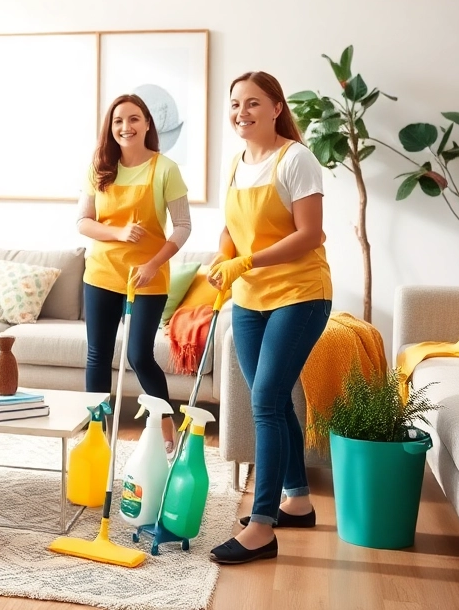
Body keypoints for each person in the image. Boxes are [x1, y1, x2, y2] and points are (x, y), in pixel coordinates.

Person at [206, 71, 332, 565]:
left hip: (299, 294)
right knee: (274, 402)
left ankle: (262, 527)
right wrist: (223, 260)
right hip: (249, 298)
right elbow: (231, 229)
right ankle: (296, 500)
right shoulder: (237, 163)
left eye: (253, 103)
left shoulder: (296, 159)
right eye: (235, 104)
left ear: (277, 107)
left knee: (264, 401)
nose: (241, 112)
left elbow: (311, 234)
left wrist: (247, 262)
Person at [76, 94, 191, 452]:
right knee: (98, 354)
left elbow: (184, 226)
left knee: (139, 354)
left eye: (134, 119)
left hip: (148, 277)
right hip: (102, 275)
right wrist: (119, 233)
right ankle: (96, 433)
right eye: (118, 121)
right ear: (110, 128)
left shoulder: (165, 169)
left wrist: (153, 263)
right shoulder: (99, 168)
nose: (126, 127)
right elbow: (83, 222)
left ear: (147, 125)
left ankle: (167, 429)